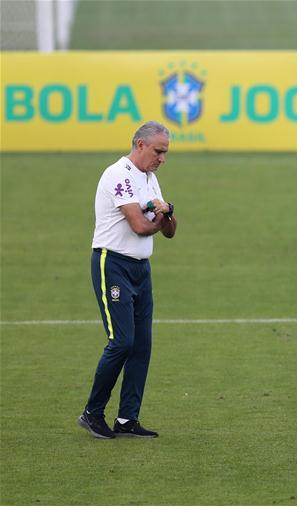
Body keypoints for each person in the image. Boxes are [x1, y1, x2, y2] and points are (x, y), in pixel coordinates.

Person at [78, 121, 177, 439]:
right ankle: (92, 413)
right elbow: (139, 225)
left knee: (142, 345)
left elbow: (170, 231)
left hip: (140, 268)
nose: (162, 158)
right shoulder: (118, 174)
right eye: (158, 151)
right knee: (122, 342)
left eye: (165, 153)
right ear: (140, 145)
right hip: (113, 263)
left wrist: (168, 212)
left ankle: (127, 419)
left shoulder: (150, 179)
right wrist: (160, 216)